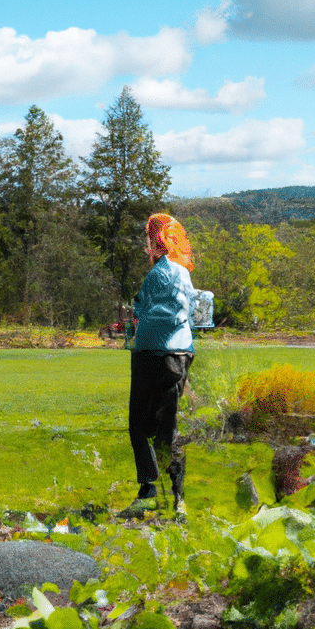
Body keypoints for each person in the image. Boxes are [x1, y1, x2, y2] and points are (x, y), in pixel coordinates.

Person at [121, 213, 197, 521]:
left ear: (157, 239)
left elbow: (144, 309)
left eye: (148, 238)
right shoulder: (183, 272)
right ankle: (177, 500)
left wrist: (133, 317)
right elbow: (185, 310)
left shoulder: (160, 273)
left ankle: (149, 493)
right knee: (168, 428)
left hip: (153, 353)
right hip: (180, 354)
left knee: (140, 426)